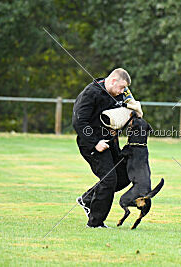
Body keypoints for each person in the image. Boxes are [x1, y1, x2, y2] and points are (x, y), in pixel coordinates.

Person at [72, 68, 142, 228]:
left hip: (110, 142)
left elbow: (132, 107)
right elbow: (79, 122)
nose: (123, 91)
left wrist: (135, 113)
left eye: (125, 88)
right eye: (121, 87)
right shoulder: (91, 93)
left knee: (125, 175)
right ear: (112, 81)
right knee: (109, 179)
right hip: (91, 144)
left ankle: (88, 199)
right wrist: (95, 142)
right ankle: (95, 223)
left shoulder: (121, 93)